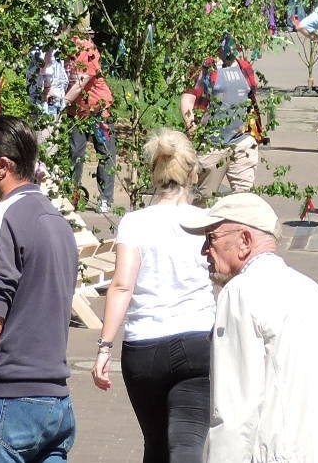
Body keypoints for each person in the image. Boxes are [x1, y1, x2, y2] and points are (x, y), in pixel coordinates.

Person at [182, 193, 318, 462]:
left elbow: (235, 409)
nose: (204, 251)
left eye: (210, 238)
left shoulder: (240, 293)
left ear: (244, 240)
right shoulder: (317, 294)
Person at [0, 115, 81, 463]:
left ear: (2, 166)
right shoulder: (57, 222)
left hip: (7, 406)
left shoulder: (0, 217)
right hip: (56, 406)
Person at [93, 130, 216, 463]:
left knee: (156, 444)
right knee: (188, 444)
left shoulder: (134, 222)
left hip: (144, 345)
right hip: (197, 340)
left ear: (154, 173)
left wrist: (104, 347)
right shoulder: (205, 221)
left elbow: (122, 285)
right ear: (193, 173)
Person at [180, 36, 266, 195]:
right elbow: (188, 98)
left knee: (244, 198)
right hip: (212, 144)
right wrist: (191, 125)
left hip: (241, 142)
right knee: (203, 197)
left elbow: (249, 97)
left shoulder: (244, 67)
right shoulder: (205, 69)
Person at [65, 28, 119, 214]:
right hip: (77, 113)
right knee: (75, 153)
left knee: (105, 153)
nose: (90, 38)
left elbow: (81, 82)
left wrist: (62, 103)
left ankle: (105, 199)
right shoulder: (63, 50)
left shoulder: (88, 51)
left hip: (99, 112)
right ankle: (72, 196)